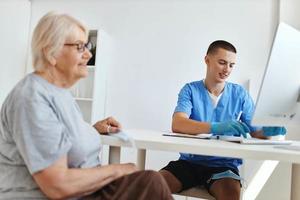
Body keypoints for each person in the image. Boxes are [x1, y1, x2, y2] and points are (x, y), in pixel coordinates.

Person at [0, 12, 173, 200]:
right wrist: (118, 170)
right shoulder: (31, 98)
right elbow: (57, 185)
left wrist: (92, 130)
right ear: (51, 52)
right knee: (149, 182)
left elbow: (57, 137)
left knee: (149, 182)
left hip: (84, 193)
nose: (89, 54)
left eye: (87, 46)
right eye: (79, 47)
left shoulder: (60, 93)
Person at [159, 40, 286, 200]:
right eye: (222, 63)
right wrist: (215, 127)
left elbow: (255, 132)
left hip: (223, 166)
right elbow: (178, 124)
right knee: (152, 185)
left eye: (232, 65)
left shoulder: (240, 94)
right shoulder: (190, 90)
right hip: (189, 163)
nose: (227, 69)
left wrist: (267, 132)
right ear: (207, 60)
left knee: (231, 195)